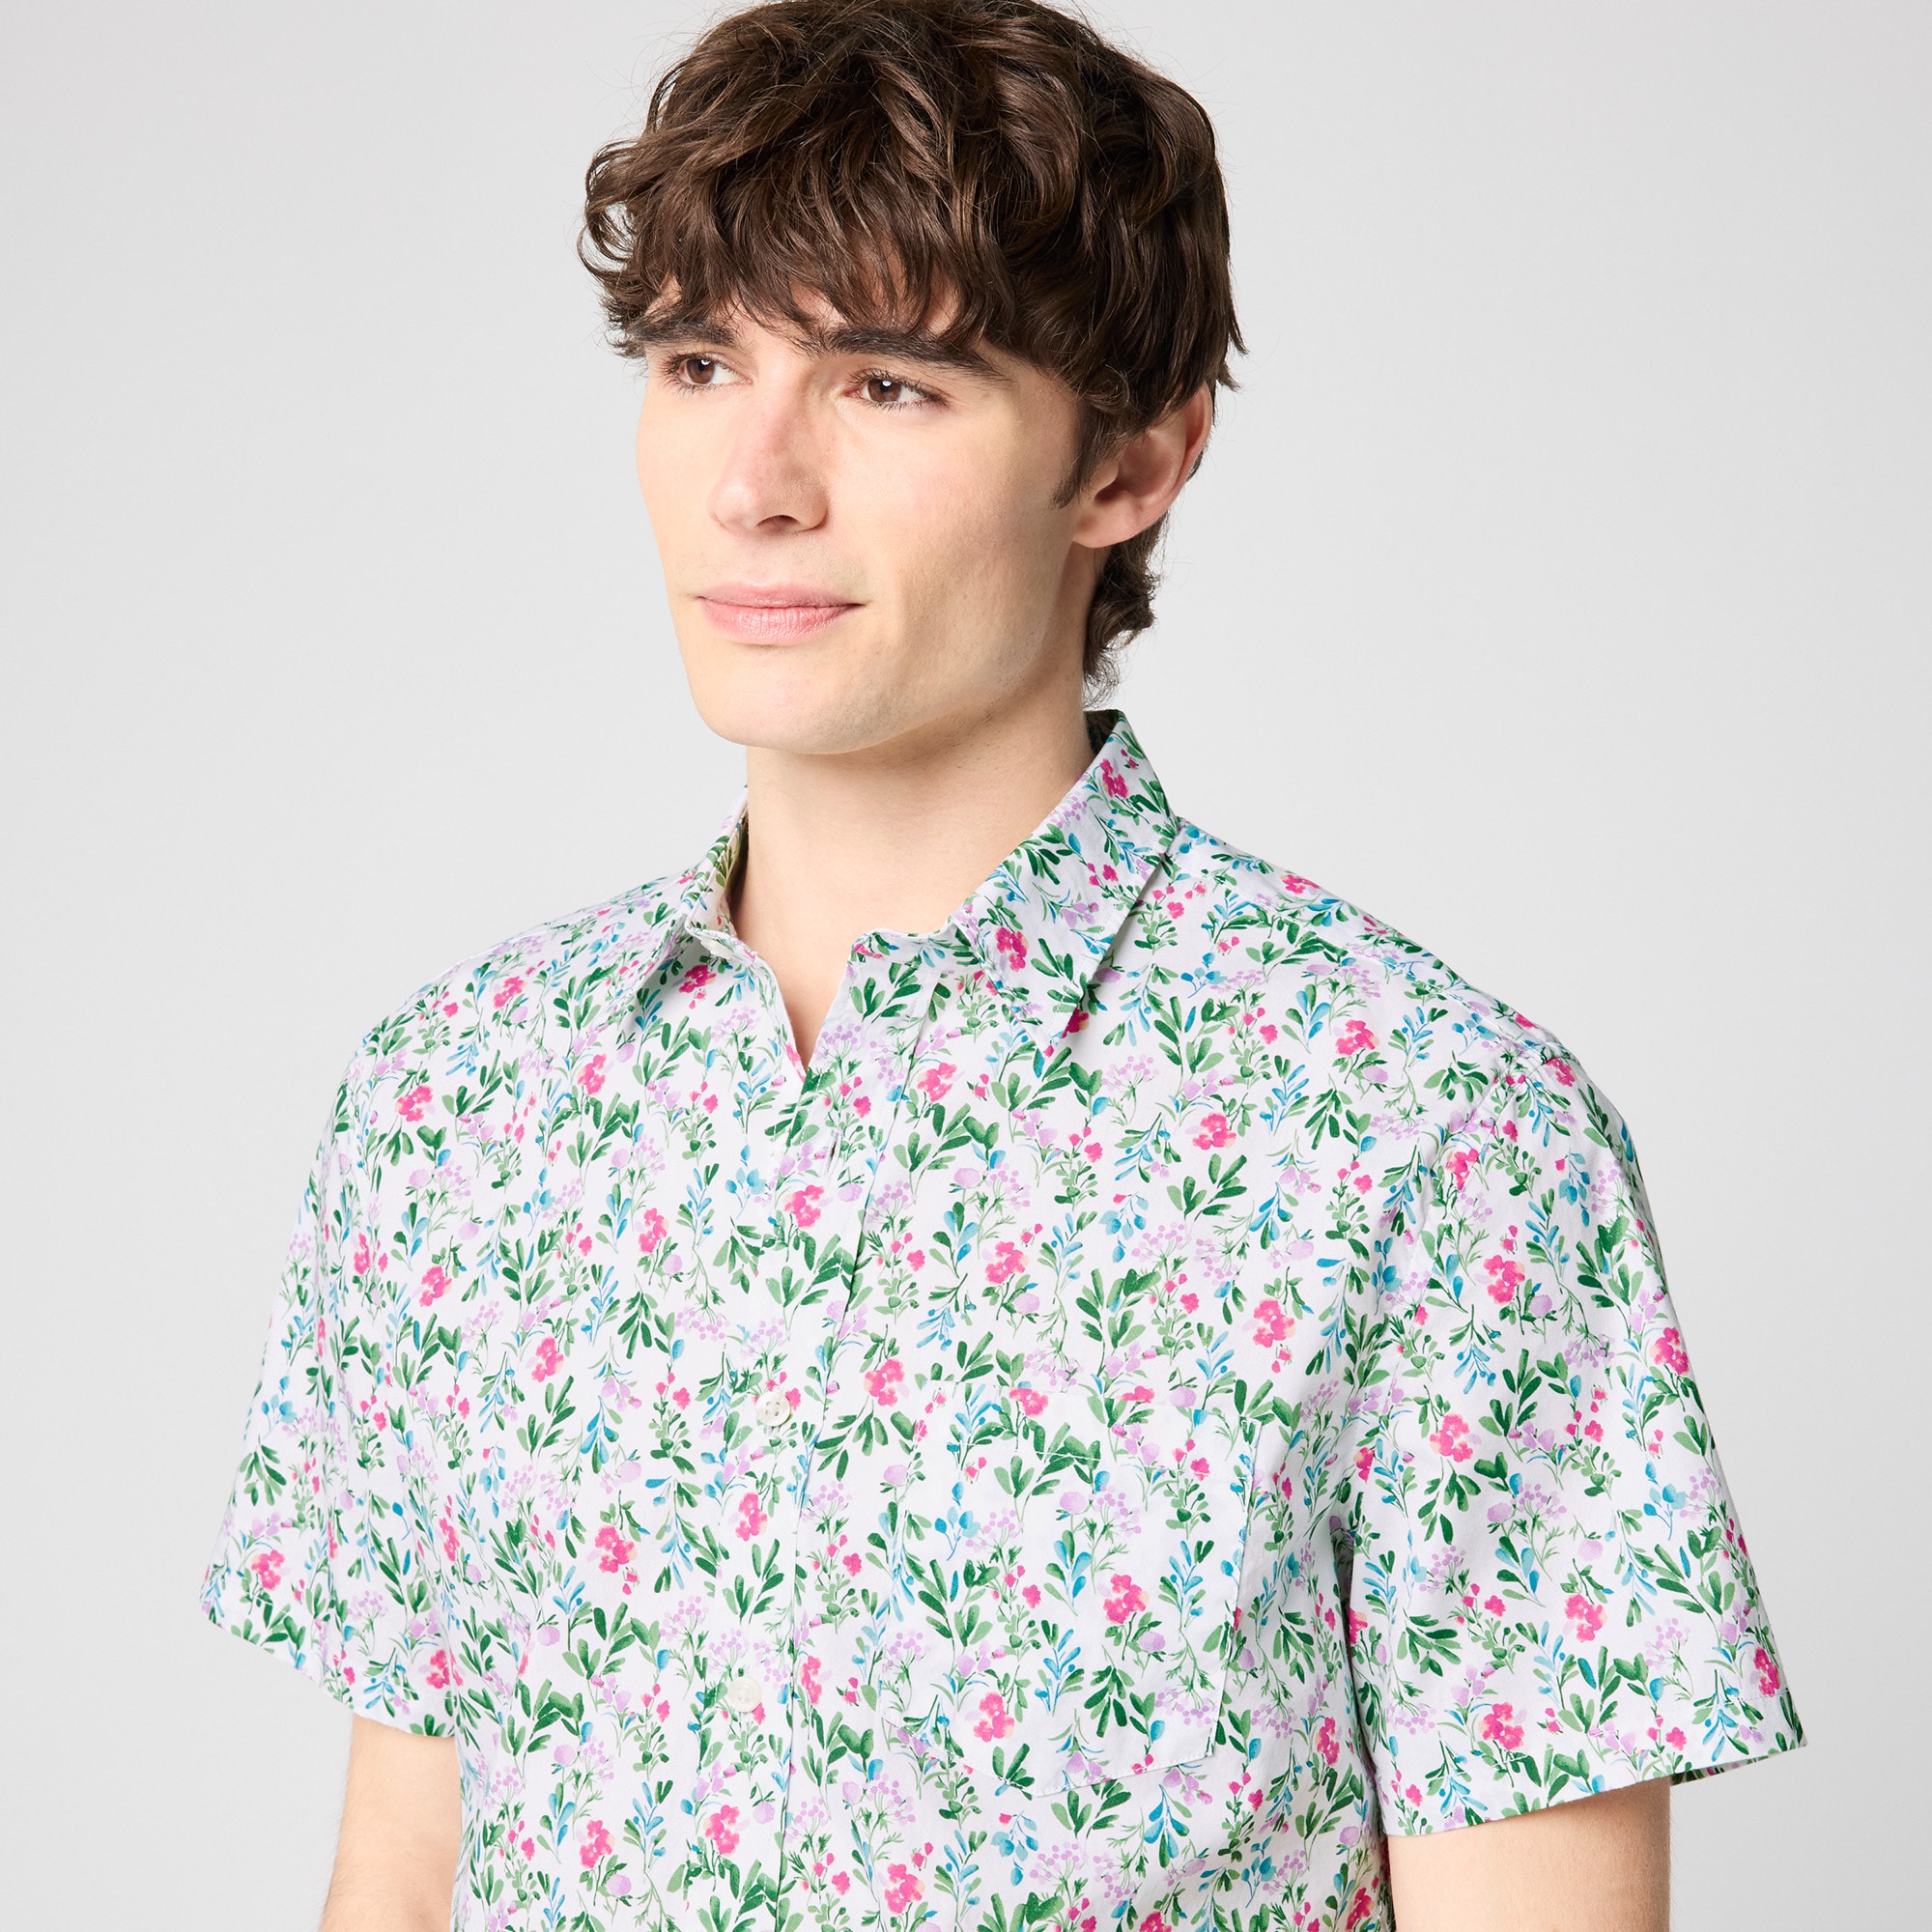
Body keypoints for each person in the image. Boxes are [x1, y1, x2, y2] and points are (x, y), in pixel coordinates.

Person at [198, 3, 1802, 1927]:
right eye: (700, 362)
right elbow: (402, 1878)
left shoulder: (1428, 1135)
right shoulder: (453, 1106)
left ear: (1131, 461)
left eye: (886, 384)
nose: (752, 484)